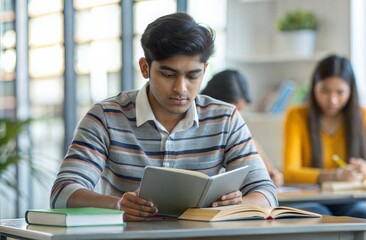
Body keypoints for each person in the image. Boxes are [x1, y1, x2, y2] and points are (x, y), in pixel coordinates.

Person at [50, 12, 277, 222]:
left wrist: (230, 208)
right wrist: (118, 205)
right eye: (168, 75)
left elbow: (265, 193)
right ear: (144, 68)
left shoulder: (226, 118)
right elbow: (63, 191)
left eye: (192, 76)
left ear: (205, 70)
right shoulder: (106, 117)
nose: (181, 88)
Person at [282, 55, 366, 240]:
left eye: (340, 92)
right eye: (324, 90)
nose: (332, 99)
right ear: (314, 87)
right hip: (311, 199)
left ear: (351, 91)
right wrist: (334, 175)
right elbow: (290, 172)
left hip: (354, 199)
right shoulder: (297, 116)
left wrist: (364, 173)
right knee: (317, 216)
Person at [200, 69, 284, 187]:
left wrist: (275, 177)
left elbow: (269, 174)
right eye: (233, 111)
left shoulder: (242, 137)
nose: (236, 118)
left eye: (240, 111)